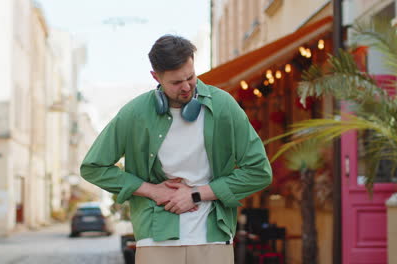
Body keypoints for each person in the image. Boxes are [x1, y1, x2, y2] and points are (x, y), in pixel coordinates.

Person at [80, 35, 272, 264]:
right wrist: (152, 190)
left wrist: (196, 194)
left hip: (212, 236)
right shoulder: (135, 113)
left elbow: (259, 172)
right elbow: (93, 167)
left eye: (190, 77)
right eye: (175, 83)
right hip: (155, 237)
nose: (186, 87)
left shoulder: (224, 107)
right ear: (156, 77)